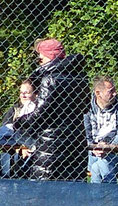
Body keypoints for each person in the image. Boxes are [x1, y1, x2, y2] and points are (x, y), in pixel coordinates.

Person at [9, 38, 90, 180]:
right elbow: (85, 107)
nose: (39, 61)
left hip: (51, 143)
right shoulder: (80, 77)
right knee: (73, 185)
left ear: (49, 56)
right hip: (76, 140)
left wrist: (19, 122)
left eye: (40, 57)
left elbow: (41, 113)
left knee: (45, 186)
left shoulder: (50, 78)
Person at [85, 75, 118, 183]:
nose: (115, 93)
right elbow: (85, 134)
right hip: (92, 154)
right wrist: (93, 148)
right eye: (111, 91)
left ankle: (98, 193)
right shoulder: (86, 108)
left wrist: (108, 148)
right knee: (98, 164)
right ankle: (111, 191)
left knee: (98, 166)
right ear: (98, 93)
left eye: (114, 90)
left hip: (115, 154)